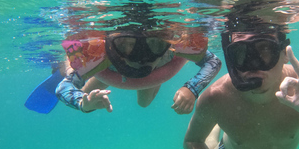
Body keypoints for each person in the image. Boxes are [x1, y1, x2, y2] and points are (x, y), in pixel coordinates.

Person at [55, 28, 221, 114]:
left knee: (144, 103)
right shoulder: (101, 52)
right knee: (83, 86)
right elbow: (63, 87)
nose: (141, 57)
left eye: (155, 44)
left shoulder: (176, 43)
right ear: (113, 44)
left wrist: (192, 88)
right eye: (125, 45)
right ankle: (69, 65)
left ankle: (95, 73)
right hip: (111, 64)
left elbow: (213, 61)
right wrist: (82, 103)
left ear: (168, 42)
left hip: (152, 68)